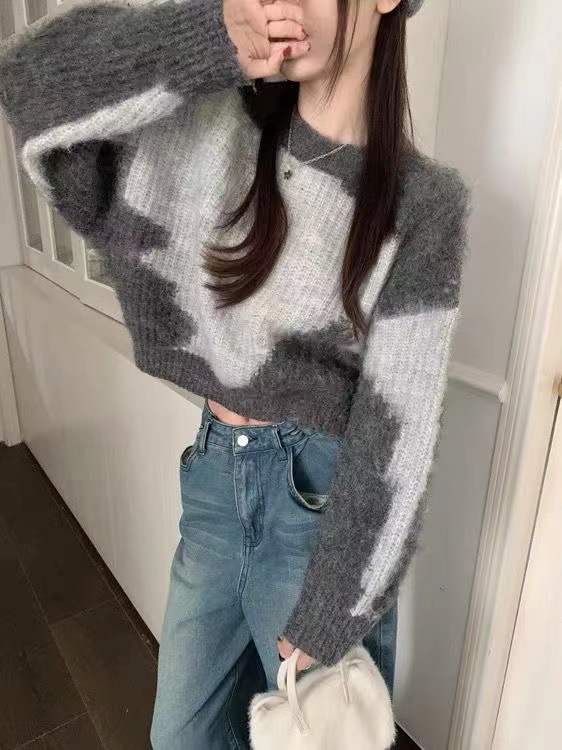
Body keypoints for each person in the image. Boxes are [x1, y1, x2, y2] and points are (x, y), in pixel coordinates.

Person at [0, 0, 472, 747]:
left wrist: (334, 608)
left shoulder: (424, 204)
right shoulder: (208, 130)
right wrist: (208, 35)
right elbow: (31, 76)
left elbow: (399, 433)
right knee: (180, 737)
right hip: (215, 483)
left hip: (319, 505)